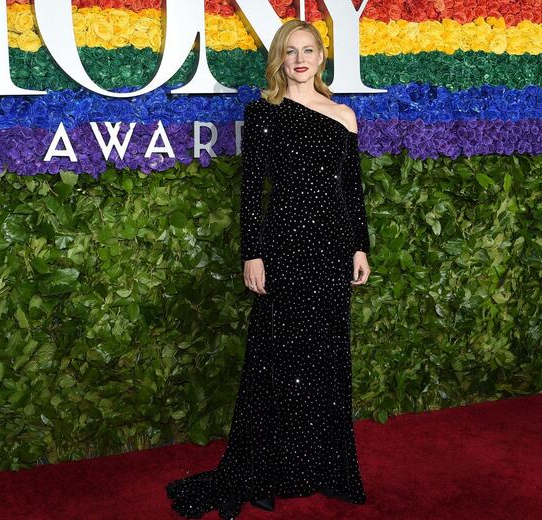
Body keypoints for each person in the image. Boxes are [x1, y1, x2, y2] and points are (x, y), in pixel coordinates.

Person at [166, 18, 371, 519]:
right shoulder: (264, 113)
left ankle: (321, 467)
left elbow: (352, 191)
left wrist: (359, 249)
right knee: (274, 363)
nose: (299, 59)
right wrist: (251, 254)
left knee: (324, 359)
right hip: (282, 247)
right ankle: (258, 472)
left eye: (308, 50)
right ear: (279, 59)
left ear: (322, 57)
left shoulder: (345, 115)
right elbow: (252, 189)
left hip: (331, 248)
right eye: (289, 51)